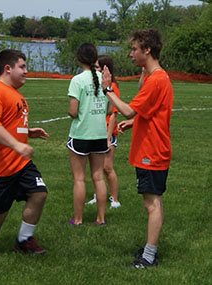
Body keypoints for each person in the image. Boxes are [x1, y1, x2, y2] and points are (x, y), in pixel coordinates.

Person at [102, 29, 173, 268]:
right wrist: (135, 123)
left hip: (152, 152)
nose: (131, 53)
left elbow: (128, 109)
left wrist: (107, 90)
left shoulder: (157, 80)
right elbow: (150, 112)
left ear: (147, 50)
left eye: (134, 49)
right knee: (152, 201)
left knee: (151, 203)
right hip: (152, 149)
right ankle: (150, 249)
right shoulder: (155, 77)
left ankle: (149, 256)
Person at [0, 49, 49, 256]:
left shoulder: (16, 94)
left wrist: (28, 132)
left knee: (39, 193)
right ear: (8, 68)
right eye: (22, 66)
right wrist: (17, 145)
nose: (26, 71)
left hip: (19, 163)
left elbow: (9, 124)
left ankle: (24, 240)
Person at [66, 43, 112, 226]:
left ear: (79, 59)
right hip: (100, 134)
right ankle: (101, 219)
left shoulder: (77, 80)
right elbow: (110, 108)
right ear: (95, 59)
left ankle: (77, 220)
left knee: (79, 178)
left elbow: (73, 111)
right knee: (98, 177)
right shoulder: (105, 79)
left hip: (80, 134)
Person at [86, 55, 121, 208]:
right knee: (96, 168)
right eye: (94, 67)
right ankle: (97, 195)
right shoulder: (96, 85)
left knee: (107, 167)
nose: (95, 70)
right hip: (96, 131)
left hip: (108, 133)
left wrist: (108, 138)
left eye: (97, 67)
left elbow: (113, 113)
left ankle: (114, 199)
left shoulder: (112, 86)